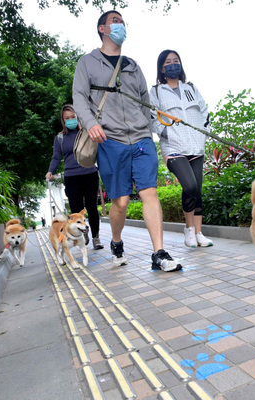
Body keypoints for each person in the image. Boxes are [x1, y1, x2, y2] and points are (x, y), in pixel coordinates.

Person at [72, 10, 181, 272]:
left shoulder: (132, 65)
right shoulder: (87, 63)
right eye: (115, 21)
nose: (120, 25)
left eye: (122, 22)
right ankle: (117, 242)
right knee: (120, 202)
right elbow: (78, 98)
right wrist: (91, 124)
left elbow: (145, 101)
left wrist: (150, 129)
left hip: (141, 137)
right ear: (102, 29)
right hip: (110, 139)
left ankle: (159, 253)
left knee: (149, 192)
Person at [149, 49, 213, 248]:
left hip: (195, 145)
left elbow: (204, 111)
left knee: (198, 190)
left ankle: (199, 233)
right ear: (162, 67)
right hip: (174, 147)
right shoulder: (157, 91)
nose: (173, 64)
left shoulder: (191, 88)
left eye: (176, 60)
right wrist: (166, 133)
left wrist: (203, 133)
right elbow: (152, 116)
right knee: (190, 186)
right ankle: (189, 229)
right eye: (168, 61)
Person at [46, 104, 104, 250]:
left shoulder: (87, 131)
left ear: (78, 116)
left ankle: (96, 237)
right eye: (67, 118)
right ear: (63, 120)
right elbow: (56, 157)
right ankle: (84, 235)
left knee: (91, 207)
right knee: (76, 211)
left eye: (73, 117)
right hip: (71, 178)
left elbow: (98, 149)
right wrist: (50, 171)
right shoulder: (59, 138)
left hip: (89, 174)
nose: (70, 120)